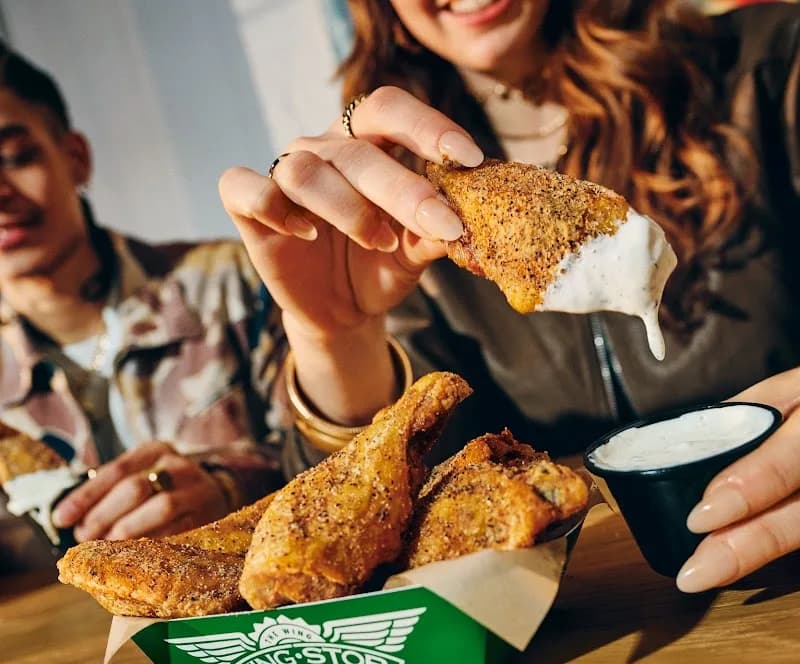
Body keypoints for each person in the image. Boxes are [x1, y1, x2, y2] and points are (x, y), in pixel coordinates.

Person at [218, 0, 799, 593]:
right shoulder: (395, 199)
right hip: (584, 630)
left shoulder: (772, 63)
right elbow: (338, 552)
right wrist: (335, 338)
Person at [0, 44, 284, 567]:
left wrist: (228, 488)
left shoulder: (231, 282)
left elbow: (342, 453)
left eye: (16, 158)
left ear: (75, 156)